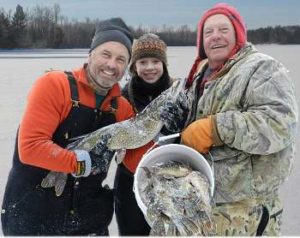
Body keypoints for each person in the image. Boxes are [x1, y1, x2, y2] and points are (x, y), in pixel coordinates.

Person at [1, 17, 152, 236]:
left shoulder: (121, 109)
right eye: (106, 54)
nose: (112, 65)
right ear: (90, 54)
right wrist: (78, 163)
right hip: (33, 218)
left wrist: (166, 155)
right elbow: (30, 147)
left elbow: (135, 156)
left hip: (88, 222)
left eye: (121, 59)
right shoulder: (55, 85)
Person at [163, 3, 298, 236]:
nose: (215, 37)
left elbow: (280, 125)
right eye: (208, 32)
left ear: (238, 34)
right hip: (205, 206)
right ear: (201, 42)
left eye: (223, 30)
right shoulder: (200, 75)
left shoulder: (261, 68)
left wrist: (215, 128)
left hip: (247, 213)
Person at [113, 33, 174, 236]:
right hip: (129, 181)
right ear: (134, 66)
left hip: (170, 182)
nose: (149, 67)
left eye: (156, 61)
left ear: (163, 64)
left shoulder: (178, 93)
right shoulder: (122, 97)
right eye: (143, 61)